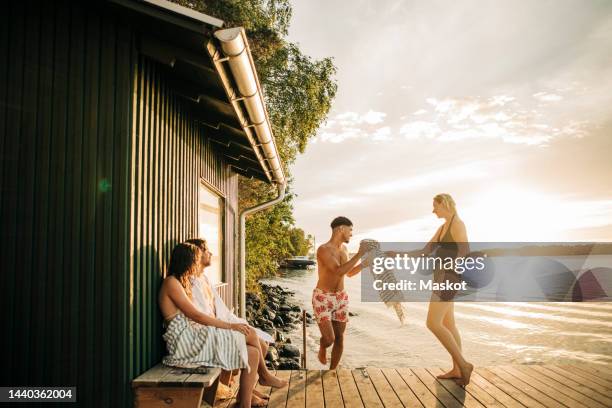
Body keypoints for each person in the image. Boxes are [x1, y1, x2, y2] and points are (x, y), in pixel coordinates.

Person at [159, 243, 286, 408]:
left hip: (193, 335)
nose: (197, 264)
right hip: (185, 342)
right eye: (196, 260)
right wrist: (230, 327)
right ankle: (264, 376)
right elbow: (196, 315)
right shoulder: (171, 283)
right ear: (187, 260)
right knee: (250, 334)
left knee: (253, 352)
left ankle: (244, 401)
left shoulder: (181, 282)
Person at [420, 194, 474, 386]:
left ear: (444, 204)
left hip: (448, 279)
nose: (433, 210)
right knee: (448, 324)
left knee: (432, 323)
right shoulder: (442, 228)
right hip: (441, 278)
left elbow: (465, 252)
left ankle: (464, 365)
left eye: (435, 206)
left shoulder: (458, 225)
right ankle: (457, 369)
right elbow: (426, 250)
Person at [312, 216, 367, 369]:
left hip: (341, 298)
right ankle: (322, 347)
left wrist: (364, 264)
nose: (351, 234)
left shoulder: (344, 250)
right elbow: (337, 271)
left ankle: (332, 371)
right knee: (329, 339)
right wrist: (360, 254)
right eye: (350, 230)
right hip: (323, 297)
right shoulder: (323, 249)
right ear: (341, 229)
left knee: (340, 338)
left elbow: (348, 273)